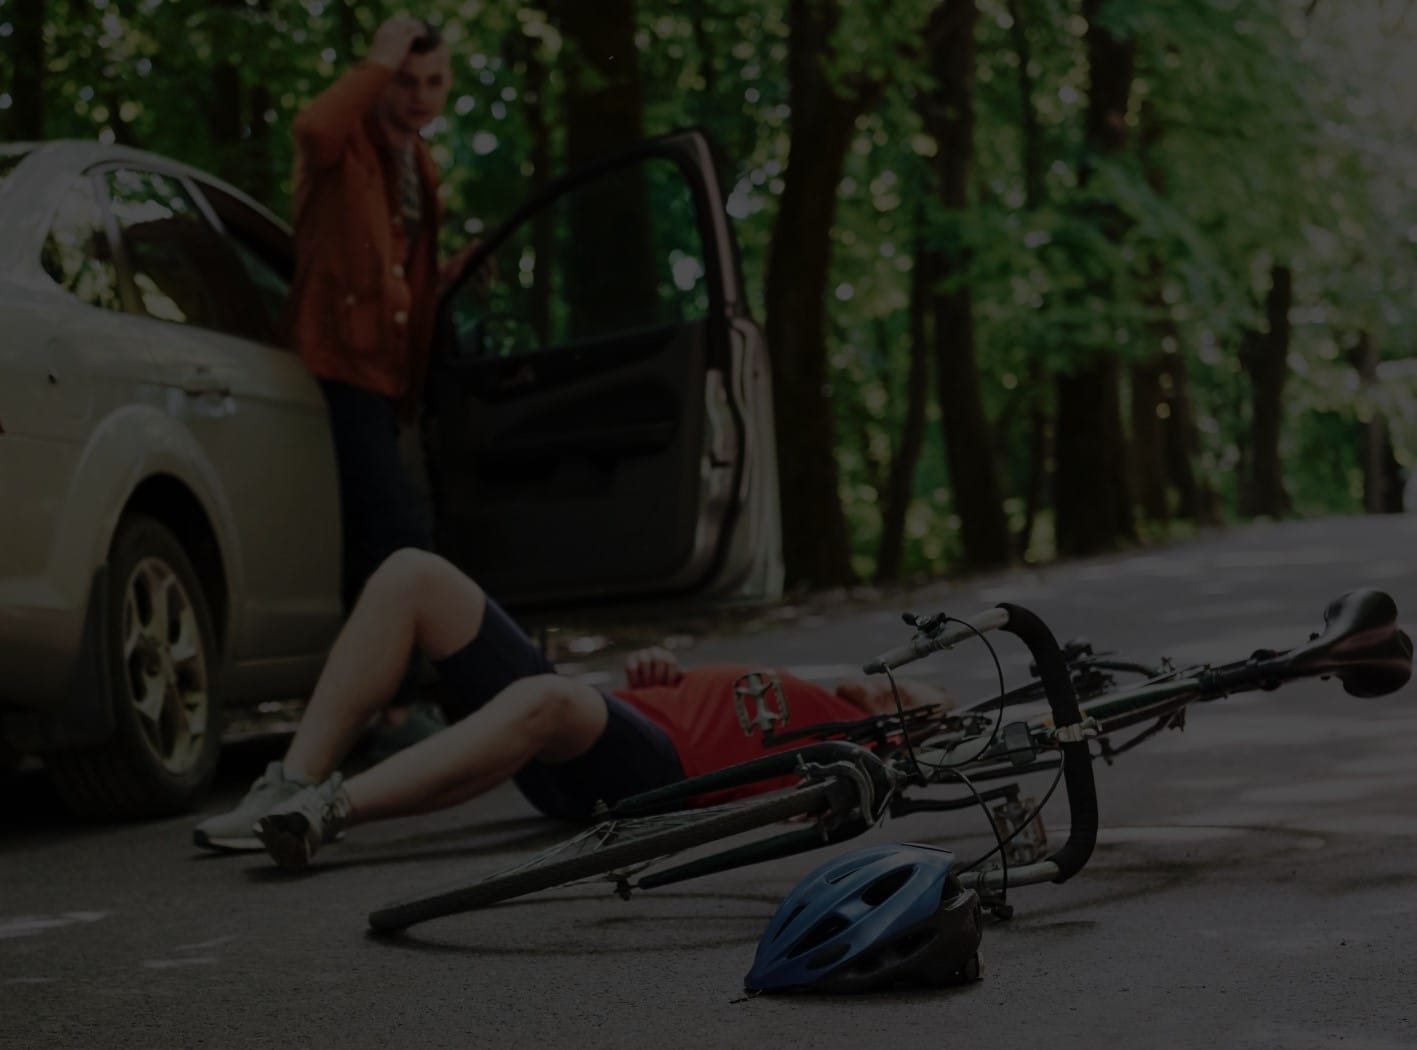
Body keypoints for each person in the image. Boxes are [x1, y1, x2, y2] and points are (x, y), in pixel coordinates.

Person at [192, 550, 950, 865]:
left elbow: (819, 808)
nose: (899, 688)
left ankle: (324, 813)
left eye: (914, 701)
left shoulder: (862, 755)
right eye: (904, 684)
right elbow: (708, 699)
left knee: (550, 698)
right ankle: (290, 778)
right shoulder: (820, 686)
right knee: (411, 574)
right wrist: (660, 674)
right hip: (613, 716)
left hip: (650, 771)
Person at [283, 15, 482, 756]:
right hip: (337, 366)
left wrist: (450, 275)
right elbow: (312, 126)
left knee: (384, 538)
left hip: (391, 379)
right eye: (405, 79)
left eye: (433, 81)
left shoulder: (418, 163)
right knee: (396, 536)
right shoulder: (346, 147)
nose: (419, 95)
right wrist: (379, 60)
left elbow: (402, 274)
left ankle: (397, 703)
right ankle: (396, 710)